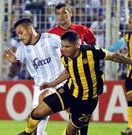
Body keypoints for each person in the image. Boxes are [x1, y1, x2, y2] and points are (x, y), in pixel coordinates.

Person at [18, 30, 132, 135]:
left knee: (71, 132)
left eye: (67, 47)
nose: (64, 50)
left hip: (87, 101)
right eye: (62, 46)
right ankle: (27, 133)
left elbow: (114, 56)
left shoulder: (92, 52)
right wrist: (52, 84)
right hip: (69, 92)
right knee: (36, 113)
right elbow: (68, 72)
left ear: (77, 44)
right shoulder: (65, 58)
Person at [4, 18, 65, 135]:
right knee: (35, 128)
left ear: (30, 28)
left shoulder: (50, 39)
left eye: (21, 33)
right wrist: (14, 63)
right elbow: (13, 72)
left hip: (62, 81)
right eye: (18, 34)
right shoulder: (22, 48)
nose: (20, 37)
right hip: (41, 86)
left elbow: (70, 46)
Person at [48, 3, 96, 134]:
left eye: (64, 12)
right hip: (63, 75)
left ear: (71, 13)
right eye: (58, 14)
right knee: (74, 109)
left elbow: (93, 45)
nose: (61, 16)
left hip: (82, 75)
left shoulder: (82, 30)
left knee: (82, 109)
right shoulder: (50, 35)